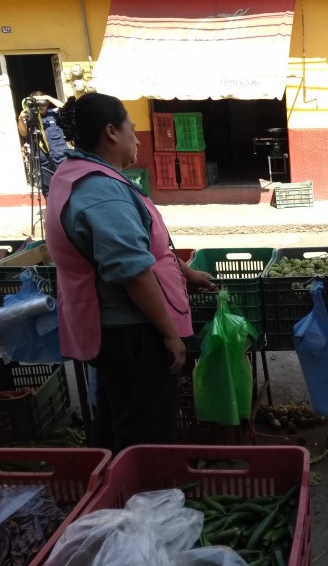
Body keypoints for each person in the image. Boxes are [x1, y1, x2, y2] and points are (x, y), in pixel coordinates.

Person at [45, 92, 214, 453]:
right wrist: (170, 335)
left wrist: (184, 272)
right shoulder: (100, 190)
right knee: (144, 435)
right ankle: (144, 499)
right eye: (132, 128)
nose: (137, 138)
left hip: (115, 330)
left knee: (118, 420)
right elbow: (132, 271)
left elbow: (139, 246)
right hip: (131, 333)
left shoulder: (81, 175)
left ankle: (114, 495)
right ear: (111, 132)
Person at [17, 91, 68, 199]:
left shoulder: (54, 113)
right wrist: (21, 119)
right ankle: (53, 213)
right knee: (48, 191)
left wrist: (48, 97)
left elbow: (67, 108)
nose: (41, 107)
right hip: (42, 160)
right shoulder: (28, 117)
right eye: (37, 104)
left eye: (43, 103)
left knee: (67, 187)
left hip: (60, 158)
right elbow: (24, 133)